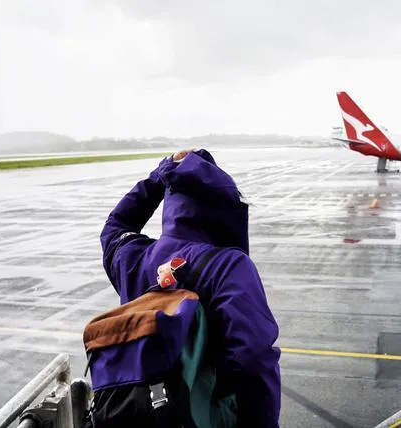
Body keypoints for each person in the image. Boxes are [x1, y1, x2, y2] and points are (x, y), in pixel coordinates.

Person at [100, 149, 281, 427]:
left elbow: (116, 225)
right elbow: (255, 359)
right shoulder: (229, 265)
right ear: (222, 204)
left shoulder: (132, 258)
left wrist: (161, 175)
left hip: (146, 412)